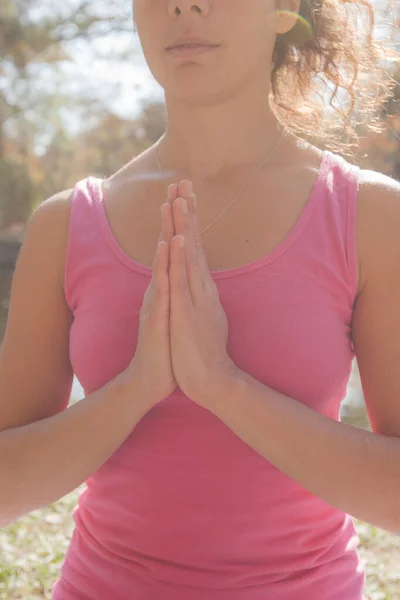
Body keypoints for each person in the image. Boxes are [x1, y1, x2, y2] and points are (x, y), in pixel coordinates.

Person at [0, 1, 399, 598]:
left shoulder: (368, 216)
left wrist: (222, 384)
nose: (185, 5)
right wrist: (136, 387)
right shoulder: (66, 224)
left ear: (284, 9)